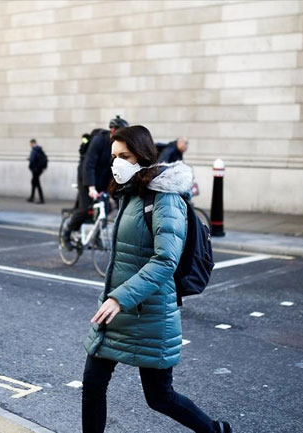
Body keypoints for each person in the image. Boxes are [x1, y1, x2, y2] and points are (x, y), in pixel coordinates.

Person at [81, 125, 232, 433]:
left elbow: (165, 261)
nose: (117, 163)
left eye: (124, 155)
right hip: (117, 310)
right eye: (113, 157)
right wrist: (116, 299)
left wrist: (119, 298)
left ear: (142, 156)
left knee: (159, 397)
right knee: (93, 384)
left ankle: (216, 431)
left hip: (149, 312)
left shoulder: (165, 198)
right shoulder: (130, 194)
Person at [62, 115, 129, 248]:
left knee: (107, 207)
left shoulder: (117, 145)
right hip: (87, 176)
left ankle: (96, 236)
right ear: (113, 130)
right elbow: (89, 164)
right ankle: (67, 232)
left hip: (103, 178)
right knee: (85, 209)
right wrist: (91, 187)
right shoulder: (99, 140)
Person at [27, 138, 45, 204]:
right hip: (38, 169)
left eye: (31, 144)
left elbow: (32, 160)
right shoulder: (39, 149)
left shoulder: (35, 150)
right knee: (33, 182)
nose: (30, 145)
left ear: (33, 143)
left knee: (37, 183)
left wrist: (29, 160)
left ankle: (42, 199)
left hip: (35, 169)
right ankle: (32, 197)